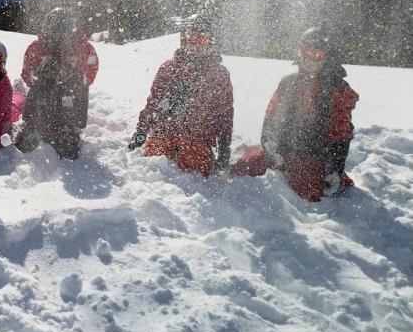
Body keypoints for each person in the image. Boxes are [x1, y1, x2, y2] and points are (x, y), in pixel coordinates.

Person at [232, 26, 358, 201]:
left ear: (329, 58)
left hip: (312, 158)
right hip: (283, 153)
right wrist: (269, 146)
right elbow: (271, 116)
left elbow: (340, 135)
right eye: (306, 52)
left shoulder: (338, 91)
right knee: (243, 169)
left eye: (317, 55)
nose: (310, 59)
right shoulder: (289, 82)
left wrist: (334, 169)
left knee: (307, 192)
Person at [128, 15, 233, 176]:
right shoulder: (169, 68)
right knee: (153, 170)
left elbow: (224, 113)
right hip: (163, 134)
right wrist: (142, 129)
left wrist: (224, 144)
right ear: (184, 38)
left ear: (210, 41)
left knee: (192, 173)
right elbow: (154, 102)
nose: (195, 43)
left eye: (202, 38)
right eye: (191, 37)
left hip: (197, 140)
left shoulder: (219, 74)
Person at [15, 7, 99, 159]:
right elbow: (27, 72)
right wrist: (39, 74)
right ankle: (31, 126)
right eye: (54, 27)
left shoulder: (83, 47)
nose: (59, 33)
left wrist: (77, 77)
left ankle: (68, 129)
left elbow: (91, 70)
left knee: (75, 90)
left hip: (70, 98)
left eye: (63, 27)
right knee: (39, 88)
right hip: (43, 95)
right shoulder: (37, 47)